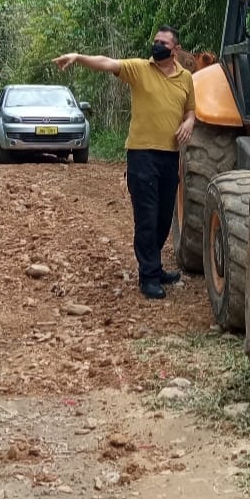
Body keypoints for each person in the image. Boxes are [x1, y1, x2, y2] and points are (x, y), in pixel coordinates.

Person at [52, 26, 195, 299]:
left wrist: (189, 123)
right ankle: (149, 276)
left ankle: (155, 267)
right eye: (155, 40)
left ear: (175, 50)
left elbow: (190, 111)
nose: (157, 45)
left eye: (163, 43)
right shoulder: (139, 69)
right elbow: (107, 63)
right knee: (147, 217)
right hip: (142, 155)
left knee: (164, 217)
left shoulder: (186, 77)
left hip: (170, 156)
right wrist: (78, 57)